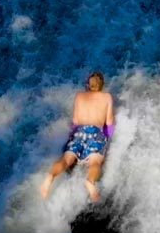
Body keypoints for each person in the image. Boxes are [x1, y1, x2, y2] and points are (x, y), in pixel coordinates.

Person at [40, 72, 115, 202]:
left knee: (66, 159)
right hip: (95, 132)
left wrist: (72, 137)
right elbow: (109, 122)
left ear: (88, 85)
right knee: (95, 162)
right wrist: (108, 137)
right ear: (101, 85)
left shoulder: (79, 96)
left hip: (79, 132)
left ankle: (50, 176)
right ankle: (90, 181)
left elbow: (75, 121)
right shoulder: (107, 97)